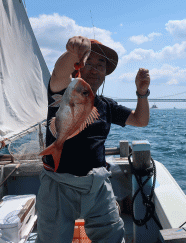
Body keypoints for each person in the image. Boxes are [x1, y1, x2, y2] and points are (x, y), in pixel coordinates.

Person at [36, 36, 150, 243]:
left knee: (113, 237)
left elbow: (140, 121)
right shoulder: (64, 92)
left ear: (105, 73)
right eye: (89, 62)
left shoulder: (106, 105)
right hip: (58, 184)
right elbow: (58, 75)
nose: (95, 69)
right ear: (77, 68)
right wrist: (73, 53)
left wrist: (142, 93)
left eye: (100, 65)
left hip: (97, 185)